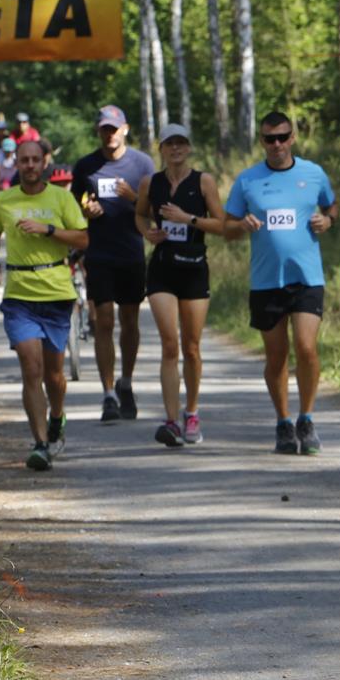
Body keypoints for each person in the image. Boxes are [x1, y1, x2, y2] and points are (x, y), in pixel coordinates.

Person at [223, 110, 338, 454]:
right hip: (266, 281)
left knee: (306, 347)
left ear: (293, 138)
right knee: (276, 356)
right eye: (270, 139)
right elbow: (227, 228)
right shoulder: (247, 180)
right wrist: (241, 225)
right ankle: (284, 422)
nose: (277, 144)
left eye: (283, 137)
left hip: (306, 277)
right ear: (262, 141)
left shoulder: (313, 173)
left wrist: (328, 221)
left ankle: (307, 418)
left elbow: (332, 207)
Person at [0, 139, 90, 470]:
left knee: (54, 376)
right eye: (23, 160)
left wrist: (49, 230)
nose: (29, 165)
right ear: (16, 163)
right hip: (19, 295)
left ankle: (57, 416)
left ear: (44, 163)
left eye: (34, 160)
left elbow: (83, 238)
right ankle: (41, 444)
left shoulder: (61, 198)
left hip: (56, 293)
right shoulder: (5, 199)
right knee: (31, 368)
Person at [134, 124, 229, 448]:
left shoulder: (203, 182)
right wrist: (148, 233)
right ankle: (171, 421)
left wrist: (187, 219)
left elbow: (221, 225)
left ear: (188, 148)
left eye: (181, 143)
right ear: (161, 149)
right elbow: (140, 215)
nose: (175, 149)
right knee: (169, 344)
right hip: (162, 269)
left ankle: (192, 412)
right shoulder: (150, 183)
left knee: (191, 347)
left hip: (194, 269)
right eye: (169, 144)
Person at [71, 105, 155, 423]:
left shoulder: (142, 164)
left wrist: (134, 197)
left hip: (131, 252)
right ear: (99, 132)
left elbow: (154, 208)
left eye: (114, 129)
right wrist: (86, 211)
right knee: (103, 321)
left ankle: (126, 383)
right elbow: (75, 205)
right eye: (104, 129)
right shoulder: (86, 166)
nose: (109, 134)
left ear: (125, 129)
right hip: (99, 253)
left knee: (130, 321)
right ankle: (108, 394)